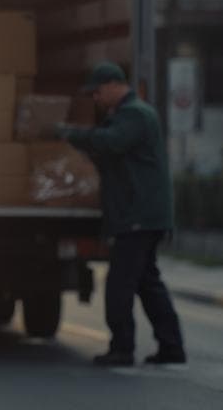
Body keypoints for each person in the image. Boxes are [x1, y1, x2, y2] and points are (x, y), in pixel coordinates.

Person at [49, 62, 186, 367]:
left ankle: (122, 348)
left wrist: (68, 133)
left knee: (120, 284)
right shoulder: (130, 115)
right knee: (148, 282)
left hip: (138, 215)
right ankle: (172, 346)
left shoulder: (134, 115)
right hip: (144, 214)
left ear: (114, 85)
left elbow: (109, 142)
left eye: (97, 92)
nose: (95, 98)